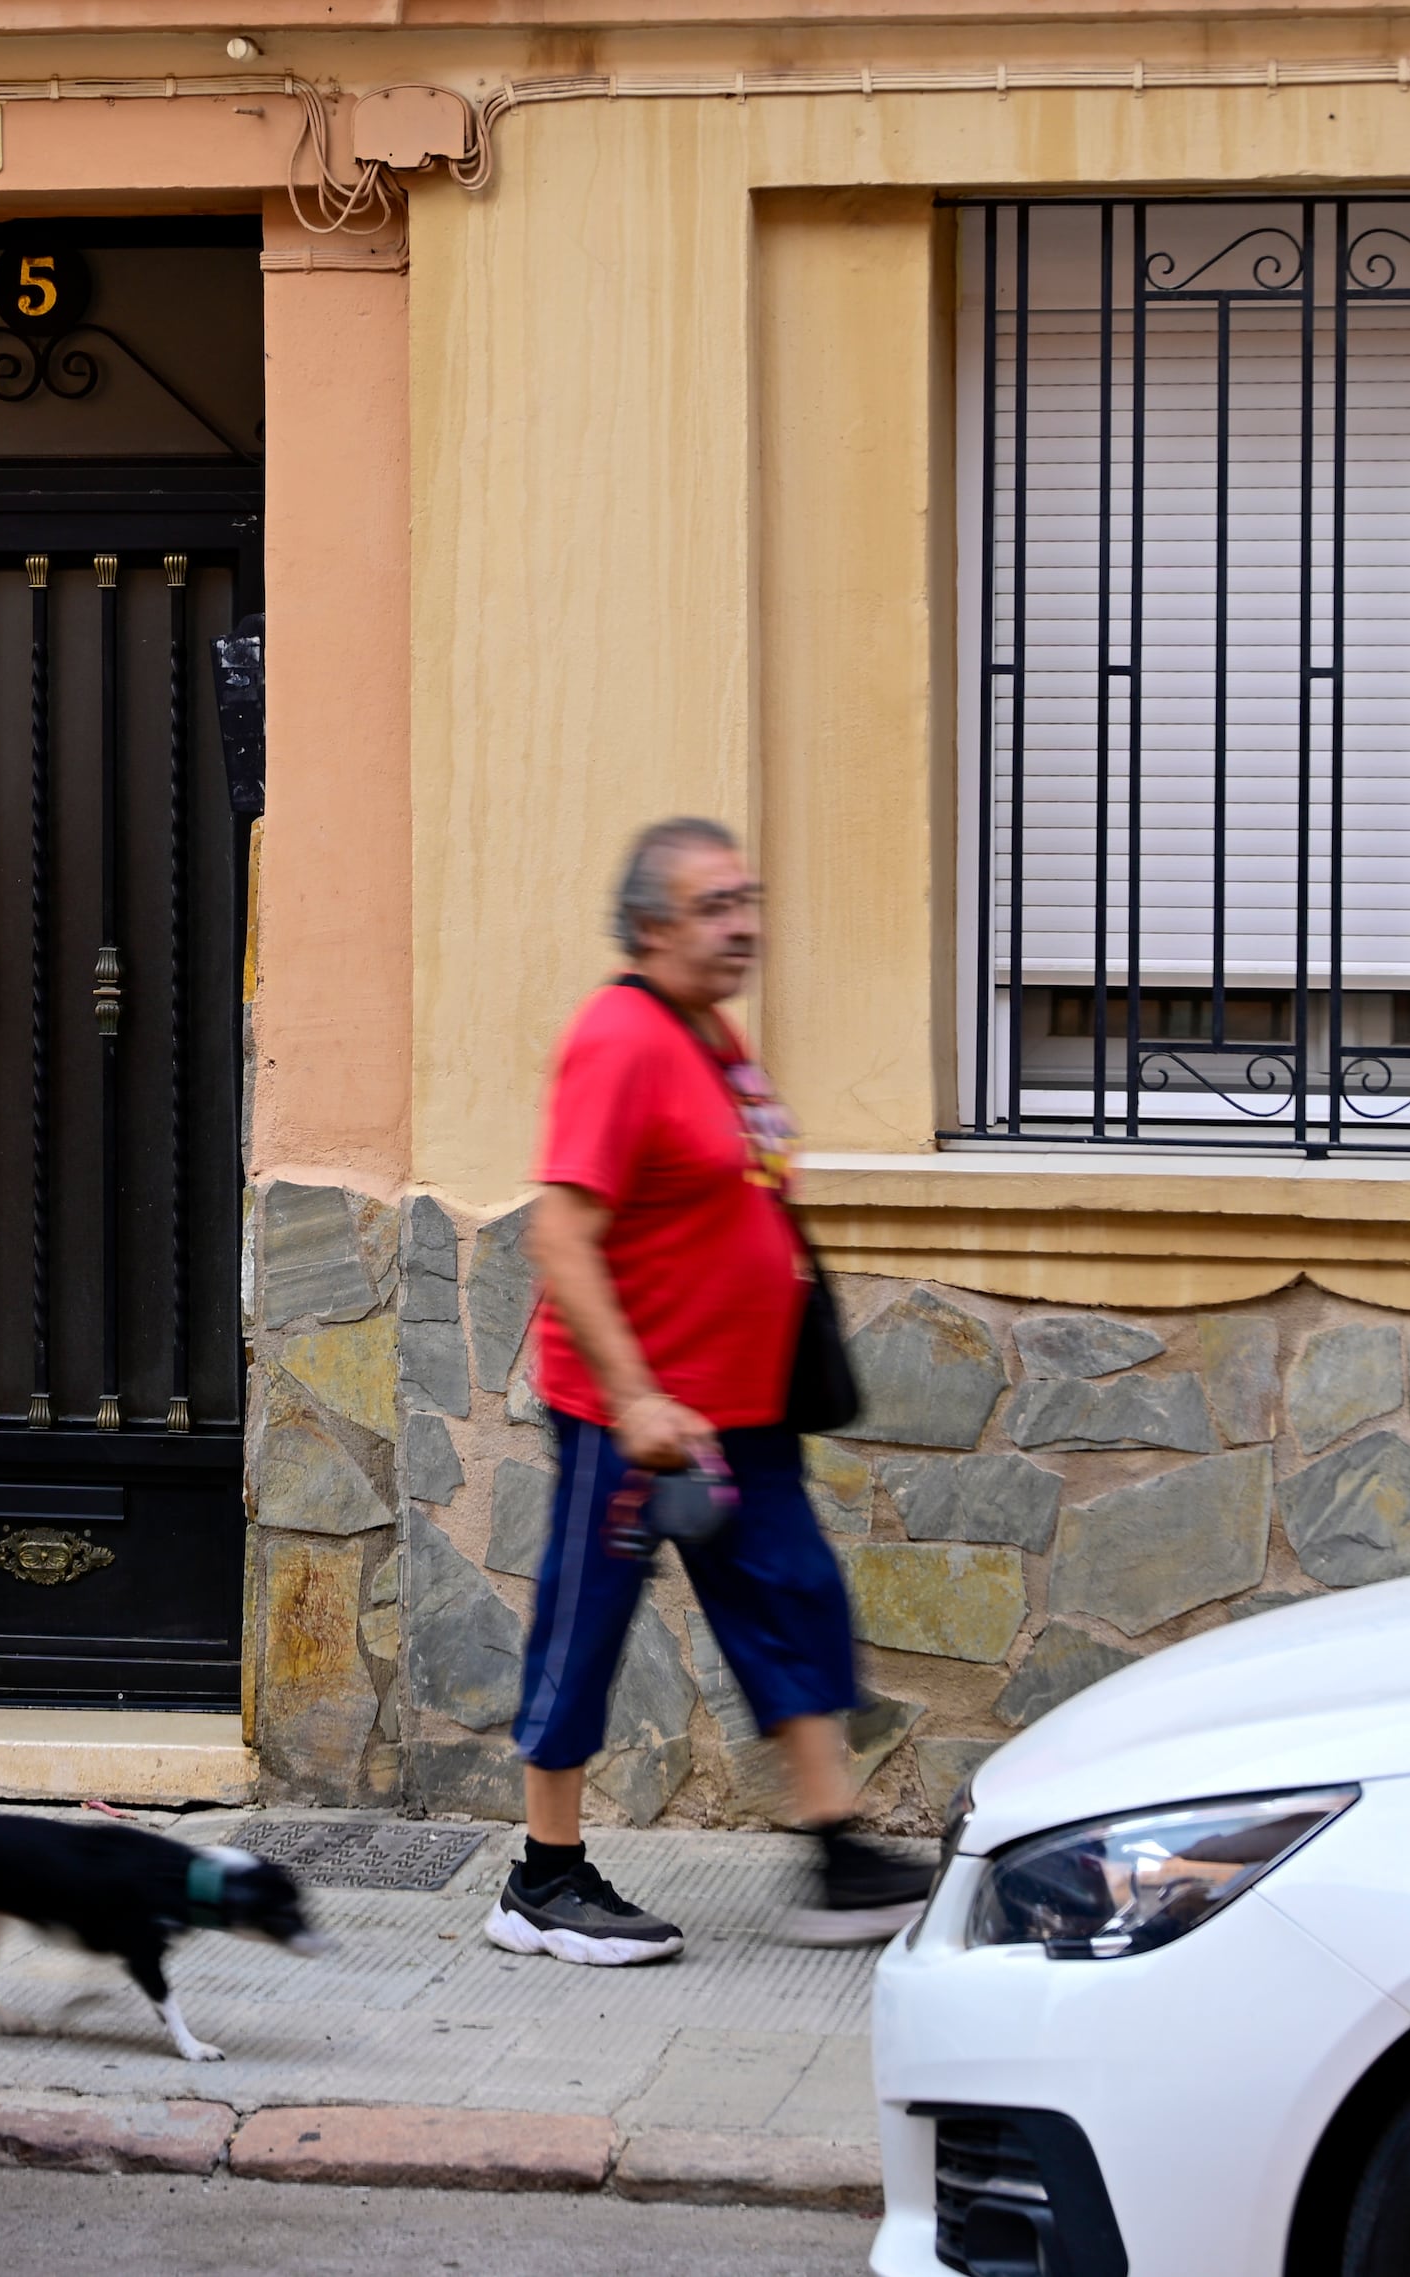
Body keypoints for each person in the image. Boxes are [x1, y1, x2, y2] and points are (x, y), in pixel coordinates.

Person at [484, 818, 940, 1964]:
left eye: (749, 898)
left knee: (790, 1604)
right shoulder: (620, 1038)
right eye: (714, 905)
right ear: (649, 927)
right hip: (638, 1417)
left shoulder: (708, 1036)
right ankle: (540, 1880)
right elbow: (563, 1233)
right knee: (582, 1628)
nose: (743, 924)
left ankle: (835, 1855)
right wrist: (634, 1399)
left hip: (739, 1407)